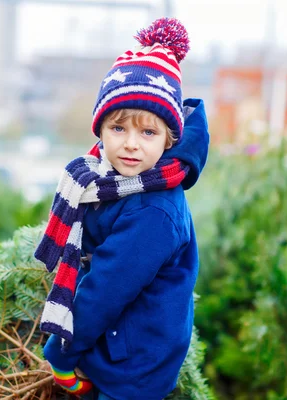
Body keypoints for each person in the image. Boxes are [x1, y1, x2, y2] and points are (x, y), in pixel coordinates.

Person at [34, 17, 210, 400]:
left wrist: (61, 354)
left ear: (169, 139)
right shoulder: (103, 180)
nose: (131, 144)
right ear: (99, 130)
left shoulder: (152, 211)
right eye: (118, 128)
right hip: (116, 344)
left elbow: (106, 290)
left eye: (148, 132)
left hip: (133, 367)